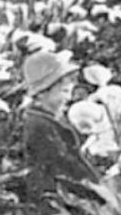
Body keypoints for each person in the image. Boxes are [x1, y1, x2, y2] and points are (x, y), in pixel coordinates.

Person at [21, 50, 100, 201]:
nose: (68, 91)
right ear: (42, 93)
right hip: (59, 201)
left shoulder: (51, 117)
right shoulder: (39, 125)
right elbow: (65, 168)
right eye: (62, 86)